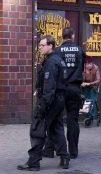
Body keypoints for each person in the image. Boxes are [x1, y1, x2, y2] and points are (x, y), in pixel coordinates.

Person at [17, 35, 70, 171]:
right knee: (56, 128)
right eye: (39, 45)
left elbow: (49, 87)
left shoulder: (52, 62)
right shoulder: (58, 59)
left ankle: (33, 162)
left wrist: (42, 106)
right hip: (58, 99)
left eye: (42, 45)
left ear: (50, 45)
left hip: (49, 100)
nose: (39, 47)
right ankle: (64, 158)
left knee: (37, 129)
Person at [43, 27, 84, 159]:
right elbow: (82, 68)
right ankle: (73, 151)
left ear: (62, 37)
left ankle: (50, 149)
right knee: (73, 120)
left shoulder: (58, 51)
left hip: (60, 89)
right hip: (75, 88)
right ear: (72, 36)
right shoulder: (80, 50)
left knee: (55, 119)